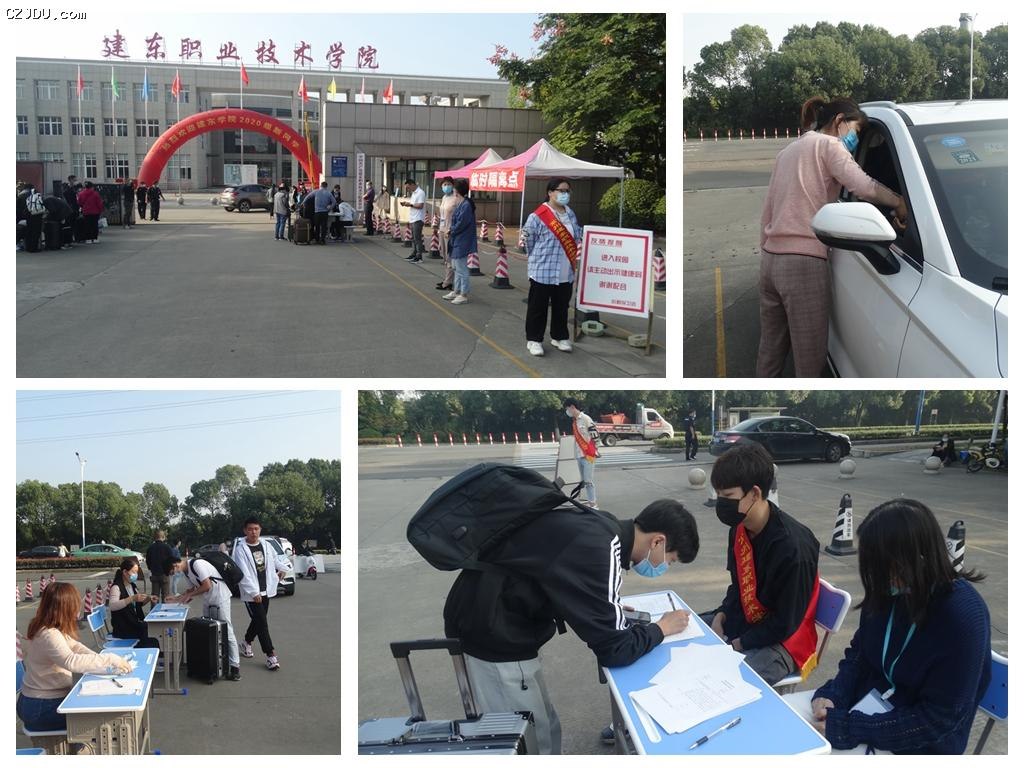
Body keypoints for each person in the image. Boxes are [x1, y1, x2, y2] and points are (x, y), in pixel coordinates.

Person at [444, 498, 699, 755]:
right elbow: (616, 650)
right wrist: (661, 628)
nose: (665, 567)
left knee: (546, 725)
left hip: (496, 615)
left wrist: (603, 607)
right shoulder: (602, 549)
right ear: (657, 542)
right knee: (529, 742)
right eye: (671, 560)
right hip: (492, 634)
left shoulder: (601, 526)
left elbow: (560, 577)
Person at [786, 499, 991, 754]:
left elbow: (938, 720)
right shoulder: (890, 590)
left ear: (917, 559)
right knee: (784, 727)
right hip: (868, 711)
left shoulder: (962, 617)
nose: (875, 577)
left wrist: (849, 728)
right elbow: (860, 655)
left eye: (882, 567)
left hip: (919, 742)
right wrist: (834, 694)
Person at [757, 97, 909, 377]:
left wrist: (767, 250)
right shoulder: (829, 145)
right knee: (809, 355)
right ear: (840, 121)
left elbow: (768, 209)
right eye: (856, 130)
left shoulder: (788, 150)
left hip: (770, 260)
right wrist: (899, 201)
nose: (854, 138)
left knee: (771, 347)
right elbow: (863, 186)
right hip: (803, 264)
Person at [703, 441, 820, 685]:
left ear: (755, 493)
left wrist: (737, 644)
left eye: (728, 496)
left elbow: (786, 622)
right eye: (719, 495)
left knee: (724, 682)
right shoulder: (739, 528)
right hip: (745, 620)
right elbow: (738, 586)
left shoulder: (794, 548)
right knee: (687, 629)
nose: (721, 503)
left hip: (784, 640)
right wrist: (721, 615)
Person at [18, 583, 133, 734]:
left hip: (41, 701)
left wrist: (100, 658)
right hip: (40, 706)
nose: (78, 610)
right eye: (74, 605)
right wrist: (110, 659)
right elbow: (70, 661)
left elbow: (76, 647)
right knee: (102, 717)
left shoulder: (51, 627)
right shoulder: (49, 634)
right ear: (64, 608)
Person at [522, 178, 582, 357]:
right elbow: (528, 242)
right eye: (561, 190)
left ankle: (559, 336)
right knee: (538, 308)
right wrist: (538, 259)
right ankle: (534, 340)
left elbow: (577, 235)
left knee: (561, 306)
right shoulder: (537, 216)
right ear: (550, 192)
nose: (565, 194)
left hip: (566, 271)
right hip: (543, 270)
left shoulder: (570, 214)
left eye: (567, 191)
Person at [165, 553, 241, 681]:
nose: (175, 574)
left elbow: (207, 585)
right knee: (208, 632)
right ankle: (213, 664)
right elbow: (191, 591)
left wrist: (189, 595)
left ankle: (235, 666)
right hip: (208, 600)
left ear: (175, 565)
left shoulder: (197, 564)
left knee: (227, 631)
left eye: (173, 572)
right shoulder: (186, 572)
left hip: (220, 598)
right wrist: (176, 599)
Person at [231, 517, 290, 671]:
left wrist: (283, 568)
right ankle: (271, 655)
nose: (253, 532)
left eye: (256, 529)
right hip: (252, 593)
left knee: (258, 621)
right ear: (245, 531)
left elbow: (275, 560)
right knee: (262, 623)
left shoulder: (266, 545)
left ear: (260, 530)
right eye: (250, 529)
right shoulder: (241, 550)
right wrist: (253, 592)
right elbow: (243, 573)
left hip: (266, 590)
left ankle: (246, 642)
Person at [107, 557, 161, 648]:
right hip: (124, 628)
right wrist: (132, 598)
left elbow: (137, 605)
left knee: (153, 629)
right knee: (150, 635)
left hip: (134, 623)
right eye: (133, 572)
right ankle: (144, 651)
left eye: (136, 572)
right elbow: (112, 606)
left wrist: (148, 598)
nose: (135, 575)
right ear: (125, 572)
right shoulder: (116, 587)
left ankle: (153, 652)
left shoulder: (132, 586)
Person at [443, 178, 476, 305]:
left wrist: (451, 230)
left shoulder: (466, 205)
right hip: (457, 239)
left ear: (457, 191)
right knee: (456, 267)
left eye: (454, 189)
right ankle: (456, 291)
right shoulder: (462, 203)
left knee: (461, 268)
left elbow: (461, 223)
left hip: (462, 240)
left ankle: (464, 294)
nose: (452, 191)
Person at [564, 397, 599, 508]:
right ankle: (579, 500)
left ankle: (593, 504)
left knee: (588, 481)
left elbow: (595, 436)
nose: (567, 411)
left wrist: (594, 451)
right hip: (579, 455)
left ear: (572, 407)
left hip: (588, 455)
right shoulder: (575, 421)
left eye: (567, 409)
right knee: (582, 480)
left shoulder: (585, 419)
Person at [435, 176, 459, 291]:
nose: (446, 186)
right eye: (444, 185)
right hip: (442, 229)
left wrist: (452, 229)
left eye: (448, 184)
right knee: (444, 256)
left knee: (450, 257)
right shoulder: (444, 197)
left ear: (453, 185)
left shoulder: (456, 198)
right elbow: (442, 215)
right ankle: (447, 279)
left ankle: (448, 282)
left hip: (450, 231)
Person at [400, 178, 427, 261]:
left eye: (408, 187)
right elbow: (413, 204)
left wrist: (410, 204)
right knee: (414, 238)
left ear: (412, 184)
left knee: (417, 238)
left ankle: (419, 256)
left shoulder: (420, 193)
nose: (408, 189)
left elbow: (420, 206)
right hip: (413, 218)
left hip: (418, 219)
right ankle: (414, 253)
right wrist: (407, 204)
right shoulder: (414, 193)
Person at [145, 530, 174, 603]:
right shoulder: (167, 547)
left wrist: (150, 569)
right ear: (163, 537)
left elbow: (148, 561)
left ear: (154, 537)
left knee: (154, 596)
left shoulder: (150, 548)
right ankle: (164, 609)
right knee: (165, 596)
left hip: (154, 574)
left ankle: (154, 609)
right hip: (164, 574)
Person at [306, 181, 335, 245]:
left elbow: (307, 197)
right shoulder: (329, 193)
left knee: (317, 226)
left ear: (321, 186)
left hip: (317, 212)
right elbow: (334, 202)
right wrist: (330, 208)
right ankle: (322, 240)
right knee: (324, 227)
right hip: (325, 212)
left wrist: (302, 204)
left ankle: (317, 239)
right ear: (326, 186)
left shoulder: (316, 191)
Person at [21, 183, 46, 252]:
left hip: (28, 215)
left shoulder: (24, 195)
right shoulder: (37, 195)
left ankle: (28, 247)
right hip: (37, 215)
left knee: (29, 231)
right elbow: (42, 205)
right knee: (36, 232)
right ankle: (34, 248)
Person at [62, 175, 81, 245]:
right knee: (71, 224)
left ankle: (75, 238)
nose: (76, 181)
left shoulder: (75, 188)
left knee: (75, 224)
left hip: (75, 208)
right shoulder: (67, 189)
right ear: (70, 180)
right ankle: (70, 239)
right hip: (71, 209)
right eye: (74, 180)